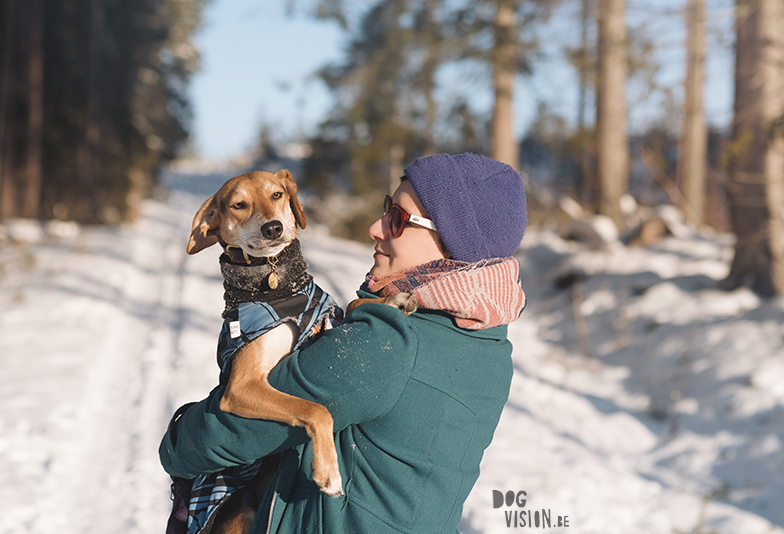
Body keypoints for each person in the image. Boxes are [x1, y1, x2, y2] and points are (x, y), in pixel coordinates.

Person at [159, 152, 528, 534]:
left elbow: (214, 438)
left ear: (452, 243)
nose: (375, 227)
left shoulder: (386, 342)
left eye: (397, 220)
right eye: (386, 209)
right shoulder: (491, 344)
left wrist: (175, 438)